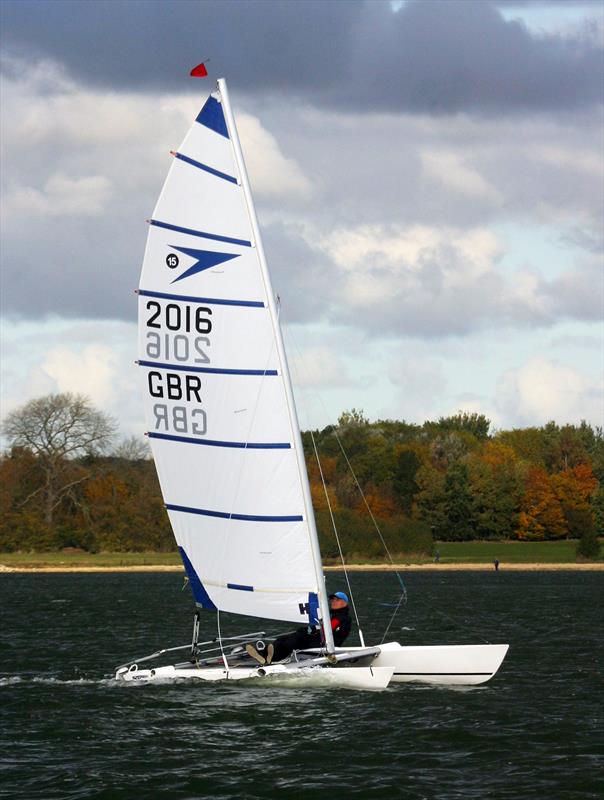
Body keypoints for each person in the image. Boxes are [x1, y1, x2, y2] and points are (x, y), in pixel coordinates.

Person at [245, 592, 352, 665]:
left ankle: (271, 659)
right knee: (282, 639)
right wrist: (309, 630)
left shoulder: (342, 617)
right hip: (318, 640)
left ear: (344, 603)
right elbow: (322, 628)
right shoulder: (332, 615)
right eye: (332, 600)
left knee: (292, 641)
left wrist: (311, 630)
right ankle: (264, 655)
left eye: (336, 600)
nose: (333, 602)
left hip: (324, 644)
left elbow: (327, 630)